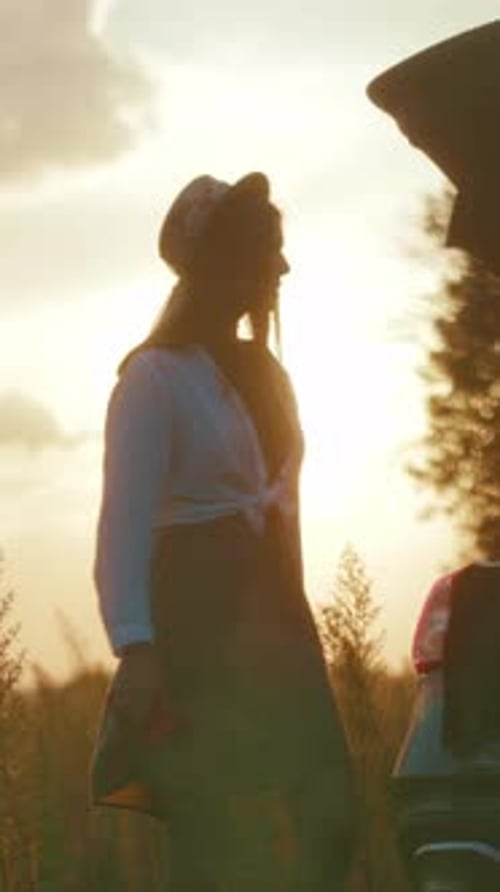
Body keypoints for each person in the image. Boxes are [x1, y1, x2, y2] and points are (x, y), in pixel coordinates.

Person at [91, 171, 358, 890]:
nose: (284, 266)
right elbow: (122, 530)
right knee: (218, 837)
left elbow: (286, 516)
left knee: (324, 831)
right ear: (226, 261)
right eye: (270, 248)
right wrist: (137, 652)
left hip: (275, 625)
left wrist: (298, 629)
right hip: (198, 629)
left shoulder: (269, 373)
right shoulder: (152, 379)